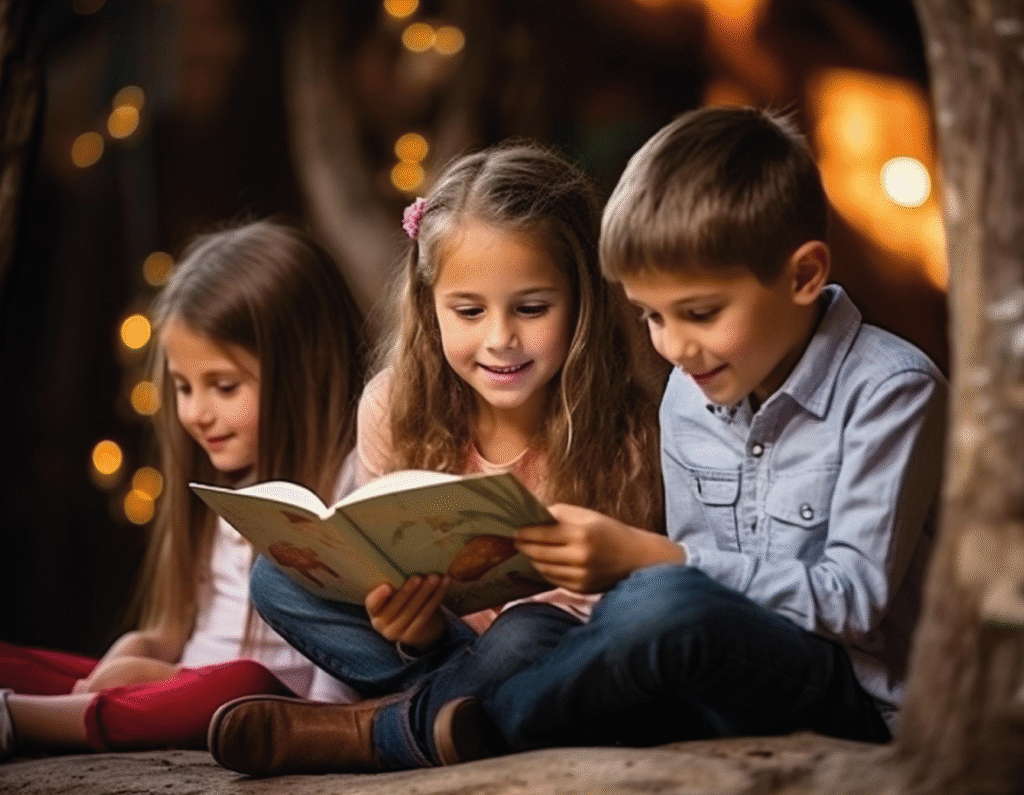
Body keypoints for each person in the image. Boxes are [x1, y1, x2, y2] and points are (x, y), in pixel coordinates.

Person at [471, 104, 947, 752]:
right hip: (717, 684)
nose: (674, 346)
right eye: (651, 316)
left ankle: (429, 731)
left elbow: (851, 600)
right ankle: (469, 714)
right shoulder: (690, 391)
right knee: (519, 634)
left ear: (804, 275)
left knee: (659, 603)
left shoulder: (893, 391)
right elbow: (693, 586)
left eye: (699, 312)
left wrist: (648, 559)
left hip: (853, 696)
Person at [206, 142, 664, 775]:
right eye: (469, 311)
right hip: (428, 648)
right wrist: (409, 626)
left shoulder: (627, 430)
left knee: (523, 637)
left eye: (532, 308)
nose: (500, 338)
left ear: (582, 299)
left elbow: (617, 610)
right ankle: (455, 718)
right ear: (430, 306)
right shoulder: (395, 405)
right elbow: (374, 554)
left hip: (550, 657)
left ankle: (385, 732)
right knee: (279, 577)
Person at [0, 219, 366, 759]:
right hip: (167, 686)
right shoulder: (220, 474)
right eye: (182, 386)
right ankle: (63, 709)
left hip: (259, 706)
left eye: (223, 386)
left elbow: (329, 691)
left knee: (238, 686)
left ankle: (21, 720)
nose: (195, 413)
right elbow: (172, 630)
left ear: (306, 371)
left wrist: (158, 678)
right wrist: (133, 658)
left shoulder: (351, 474)